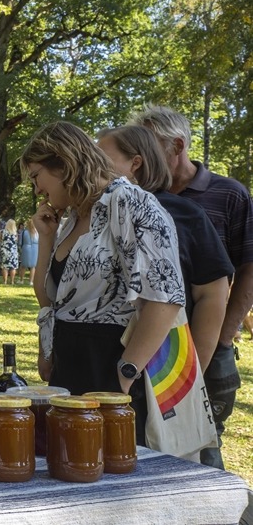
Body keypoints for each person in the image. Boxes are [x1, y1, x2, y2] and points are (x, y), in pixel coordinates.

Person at [21, 121, 185, 446]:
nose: (37, 189)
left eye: (36, 176)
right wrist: (47, 239)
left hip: (110, 365)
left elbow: (165, 297)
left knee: (107, 473)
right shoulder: (71, 218)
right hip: (69, 369)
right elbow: (48, 297)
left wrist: (124, 375)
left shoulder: (130, 203)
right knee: (67, 467)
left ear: (63, 162)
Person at [129, 106, 253, 469]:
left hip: (210, 345)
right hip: (157, 347)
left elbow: (248, 269)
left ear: (177, 145)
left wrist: (223, 337)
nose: (141, 161)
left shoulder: (229, 194)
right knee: (157, 441)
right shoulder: (143, 196)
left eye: (151, 149)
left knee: (202, 442)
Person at [97, 125, 234, 372]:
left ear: (135, 163)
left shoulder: (185, 214)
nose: (92, 167)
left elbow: (212, 294)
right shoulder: (95, 212)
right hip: (97, 364)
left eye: (102, 159)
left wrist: (193, 371)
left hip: (162, 368)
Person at [0, 219, 19, 285]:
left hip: (5, 250)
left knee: (4, 266)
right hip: (13, 251)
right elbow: (16, 241)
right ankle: (12, 281)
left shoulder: (2, 232)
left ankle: (5, 281)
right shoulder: (15, 233)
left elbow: (0, 240)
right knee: (13, 266)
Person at [18, 219, 39, 285]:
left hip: (26, 248)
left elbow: (20, 242)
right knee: (33, 266)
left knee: (23, 265)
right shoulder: (37, 232)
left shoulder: (24, 232)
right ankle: (31, 281)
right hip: (35, 248)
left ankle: (21, 280)